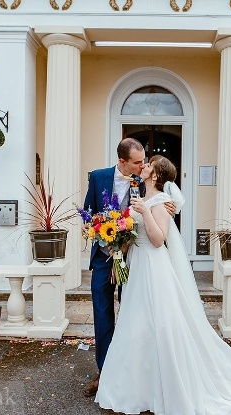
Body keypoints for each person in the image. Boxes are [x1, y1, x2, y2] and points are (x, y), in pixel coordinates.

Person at [95, 155, 231, 414]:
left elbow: (158, 240)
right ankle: (138, 389)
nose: (144, 166)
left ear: (156, 175)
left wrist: (145, 212)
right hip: (137, 266)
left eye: (148, 164)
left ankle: (164, 388)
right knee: (136, 323)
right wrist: (118, 241)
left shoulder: (160, 203)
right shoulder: (142, 198)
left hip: (154, 268)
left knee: (159, 323)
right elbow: (134, 236)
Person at [82, 138, 175, 398]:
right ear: (122, 161)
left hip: (132, 258)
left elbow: (157, 207)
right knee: (102, 314)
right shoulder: (98, 177)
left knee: (133, 315)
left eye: (144, 160)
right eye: (137, 161)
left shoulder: (142, 182)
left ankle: (135, 375)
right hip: (103, 258)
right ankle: (104, 373)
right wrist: (92, 228)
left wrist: (169, 208)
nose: (143, 164)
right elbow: (89, 210)